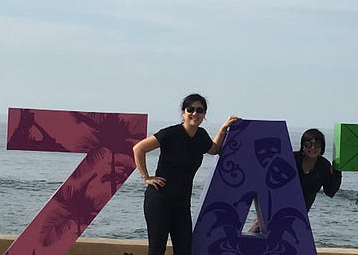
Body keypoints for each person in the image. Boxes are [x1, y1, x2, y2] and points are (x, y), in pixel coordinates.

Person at [134, 93, 239, 255]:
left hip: (182, 203)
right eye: (190, 109)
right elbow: (139, 148)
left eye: (200, 110)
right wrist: (146, 177)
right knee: (157, 249)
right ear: (183, 112)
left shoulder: (201, 136)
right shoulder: (170, 133)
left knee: (184, 249)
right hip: (159, 200)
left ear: (204, 115)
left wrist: (223, 129)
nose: (195, 113)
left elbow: (215, 149)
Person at [249, 128, 342, 233]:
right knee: (257, 231)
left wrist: (337, 171)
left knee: (287, 239)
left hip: (298, 213)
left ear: (322, 147)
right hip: (276, 206)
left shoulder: (324, 166)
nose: (312, 148)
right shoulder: (292, 158)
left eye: (317, 144)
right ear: (303, 145)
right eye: (308, 144)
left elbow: (330, 191)